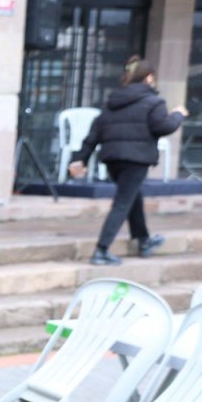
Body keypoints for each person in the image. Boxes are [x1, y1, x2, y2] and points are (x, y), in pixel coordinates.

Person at [69, 54, 186, 266]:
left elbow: (94, 134)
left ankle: (143, 240)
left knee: (133, 197)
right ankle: (101, 250)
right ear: (149, 78)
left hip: (113, 160)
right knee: (123, 202)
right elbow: (163, 127)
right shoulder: (154, 101)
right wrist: (178, 115)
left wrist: (80, 160)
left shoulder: (113, 101)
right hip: (136, 159)